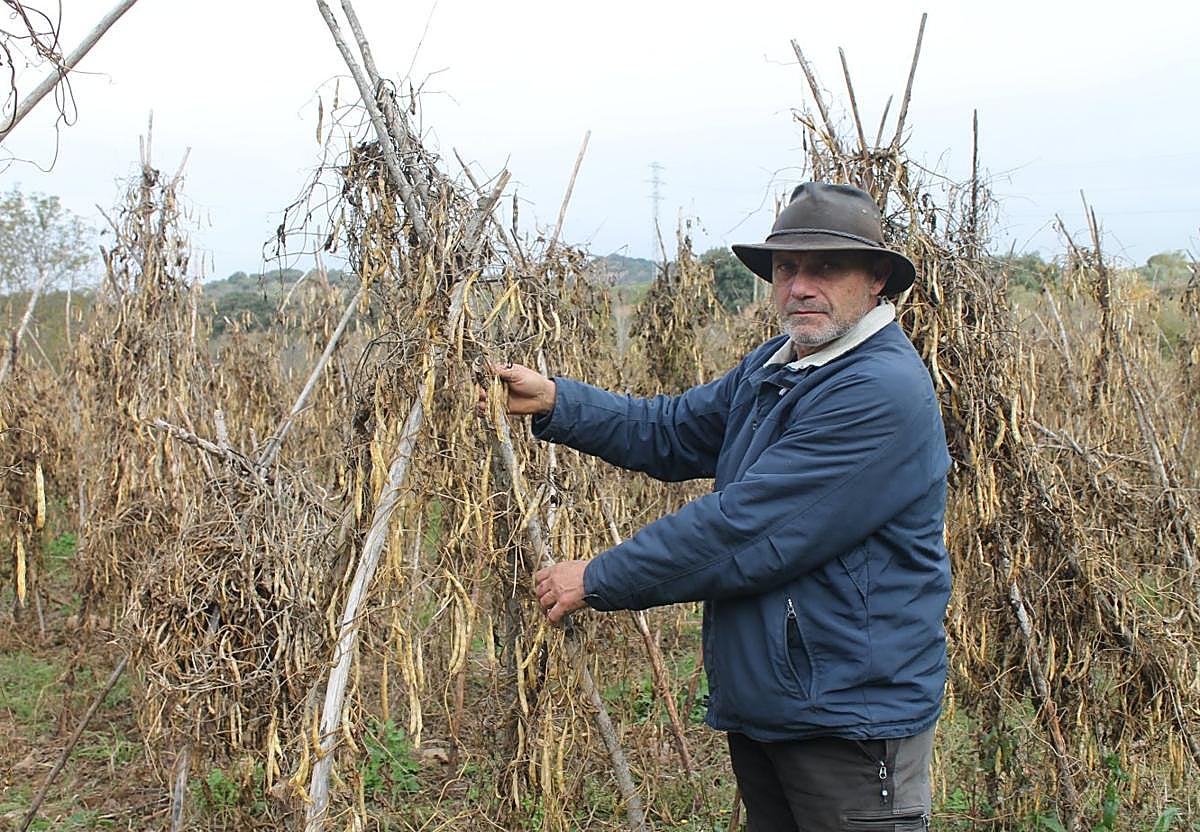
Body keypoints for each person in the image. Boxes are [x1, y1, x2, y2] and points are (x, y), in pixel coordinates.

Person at [491, 181, 950, 832]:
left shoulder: (879, 391)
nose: (799, 285)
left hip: (850, 717)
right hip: (780, 700)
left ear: (876, 279)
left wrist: (597, 577)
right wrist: (559, 403)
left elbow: (746, 531)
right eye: (786, 268)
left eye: (825, 267)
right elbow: (675, 430)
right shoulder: (781, 362)